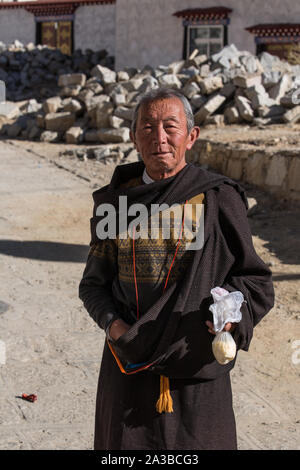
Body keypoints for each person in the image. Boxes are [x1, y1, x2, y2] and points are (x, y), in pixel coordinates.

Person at [79, 87, 274, 450]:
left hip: (195, 363)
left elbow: (256, 281)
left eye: (171, 126)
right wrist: (115, 326)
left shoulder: (218, 198)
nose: (160, 138)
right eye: (148, 128)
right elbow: (92, 284)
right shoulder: (116, 204)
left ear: (191, 136)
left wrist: (232, 316)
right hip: (128, 365)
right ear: (135, 139)